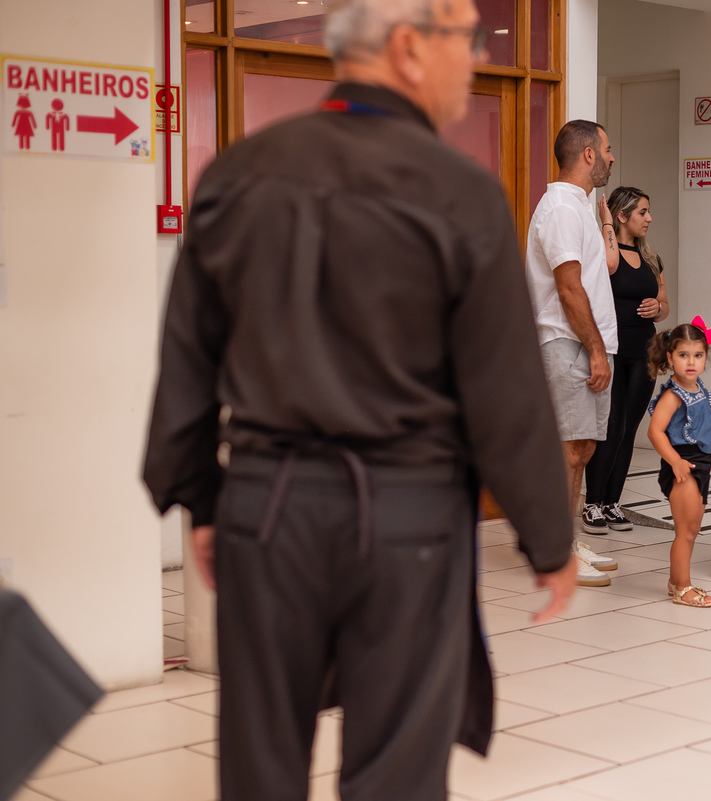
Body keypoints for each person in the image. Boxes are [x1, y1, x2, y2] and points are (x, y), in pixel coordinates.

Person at [141, 1, 577, 799]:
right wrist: (549, 537)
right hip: (409, 518)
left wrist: (201, 501)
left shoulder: (240, 174)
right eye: (463, 38)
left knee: (258, 761)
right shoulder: (459, 192)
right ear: (408, 47)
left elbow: (185, 361)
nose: (475, 58)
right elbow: (503, 392)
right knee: (397, 771)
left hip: (266, 509)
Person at [525, 119, 621, 586]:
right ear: (588, 154)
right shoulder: (560, 208)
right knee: (567, 451)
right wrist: (597, 351)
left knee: (579, 448)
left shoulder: (579, 206)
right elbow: (568, 288)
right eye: (606, 149)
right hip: (569, 342)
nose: (611, 157)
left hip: (583, 342)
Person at [582, 186, 669, 534]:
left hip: (644, 351)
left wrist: (658, 308)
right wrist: (605, 223)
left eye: (648, 212)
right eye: (642, 212)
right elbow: (609, 263)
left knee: (630, 428)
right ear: (622, 216)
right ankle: (592, 503)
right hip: (612, 348)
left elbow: (665, 304)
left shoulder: (652, 259)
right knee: (610, 427)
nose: (649, 219)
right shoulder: (605, 251)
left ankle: (612, 502)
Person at [646, 320, 711, 607]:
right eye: (683, 355)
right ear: (670, 358)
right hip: (683, 463)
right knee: (684, 531)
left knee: (693, 529)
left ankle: (675, 580)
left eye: (698, 355)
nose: (691, 362)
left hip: (702, 464)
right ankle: (682, 587)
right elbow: (655, 431)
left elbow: (701, 408)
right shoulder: (672, 395)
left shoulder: (697, 388)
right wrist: (675, 462)